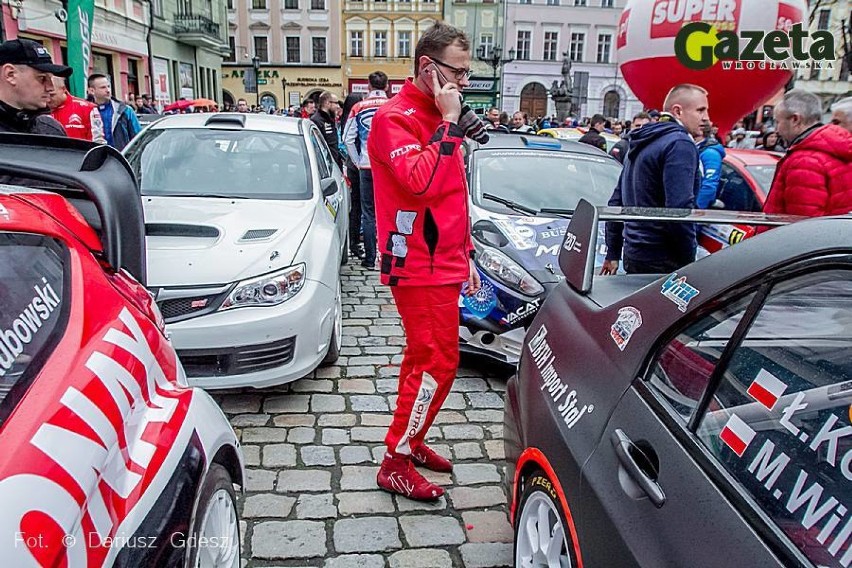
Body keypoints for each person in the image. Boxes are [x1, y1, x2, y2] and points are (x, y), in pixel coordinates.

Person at [369, 22, 482, 502]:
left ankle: (411, 441)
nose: (463, 83)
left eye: (466, 74)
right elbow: (419, 183)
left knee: (431, 360)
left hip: (442, 258)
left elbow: (452, 198)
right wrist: (449, 125)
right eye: (458, 72)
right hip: (416, 262)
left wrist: (467, 254)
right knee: (436, 363)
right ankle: (394, 460)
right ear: (427, 68)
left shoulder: (434, 112)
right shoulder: (394, 117)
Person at [602, 84, 709, 275]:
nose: (706, 117)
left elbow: (616, 201)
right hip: (663, 257)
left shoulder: (642, 140)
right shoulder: (679, 143)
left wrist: (613, 252)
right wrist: (688, 259)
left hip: (635, 253)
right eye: (700, 110)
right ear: (678, 111)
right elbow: (679, 209)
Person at [763, 89, 852, 217]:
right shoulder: (838, 149)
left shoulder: (804, 161)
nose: (777, 130)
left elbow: (802, 225)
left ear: (795, 120)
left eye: (778, 121)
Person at [343, 71, 390, 270]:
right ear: (387, 86)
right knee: (390, 213)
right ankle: (390, 259)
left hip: (366, 165)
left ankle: (370, 259)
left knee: (368, 213)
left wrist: (356, 160)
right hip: (389, 168)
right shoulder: (393, 106)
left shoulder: (358, 107)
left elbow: (347, 138)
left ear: (368, 86)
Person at [0, 38, 69, 135]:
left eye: (51, 79)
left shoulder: (49, 129)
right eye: (42, 78)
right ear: (10, 74)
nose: (50, 88)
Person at [87, 73, 141, 150]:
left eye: (108, 86)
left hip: (121, 158)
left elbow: (138, 138)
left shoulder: (125, 110)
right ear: (92, 90)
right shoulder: (85, 111)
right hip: (96, 158)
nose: (108, 90)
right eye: (103, 87)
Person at [341, 92, 365, 259]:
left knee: (356, 206)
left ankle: (354, 240)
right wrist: (358, 162)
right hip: (359, 165)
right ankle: (357, 240)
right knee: (361, 205)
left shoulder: (346, 120)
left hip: (353, 165)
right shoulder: (356, 120)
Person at [49, 76, 106, 143]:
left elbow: (98, 141)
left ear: (63, 89)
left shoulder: (87, 108)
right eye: (46, 95)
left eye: (52, 95)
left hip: (80, 152)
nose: (49, 99)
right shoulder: (41, 109)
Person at [695, 123, 726, 209]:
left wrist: (697, 209)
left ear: (700, 132)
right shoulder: (699, 148)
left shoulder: (710, 153)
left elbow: (709, 185)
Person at [310, 90, 342, 168]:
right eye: (336, 103)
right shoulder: (316, 120)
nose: (338, 106)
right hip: (326, 165)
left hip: (335, 162)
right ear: (327, 103)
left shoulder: (330, 118)